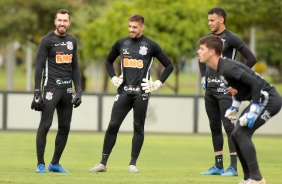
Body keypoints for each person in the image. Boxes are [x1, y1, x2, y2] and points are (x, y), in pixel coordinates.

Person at [89, 14, 174, 173]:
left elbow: (169, 66)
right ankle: (102, 163)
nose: (131, 30)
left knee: (138, 127)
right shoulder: (121, 43)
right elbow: (108, 61)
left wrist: (157, 83)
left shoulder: (151, 45)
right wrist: (113, 77)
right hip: (124, 92)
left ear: (142, 27)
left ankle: (132, 164)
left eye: (134, 27)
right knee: (113, 125)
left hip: (141, 93)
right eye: (129, 27)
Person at [198, 34, 281, 184]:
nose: (198, 52)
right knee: (236, 134)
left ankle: (257, 178)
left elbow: (255, 84)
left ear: (211, 52)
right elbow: (241, 89)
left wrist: (254, 108)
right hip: (261, 99)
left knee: (242, 134)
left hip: (269, 100)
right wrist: (235, 106)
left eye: (202, 49)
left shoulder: (227, 67)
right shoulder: (220, 69)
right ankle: (248, 178)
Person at [199, 7, 257, 176]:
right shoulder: (209, 39)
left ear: (221, 20)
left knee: (228, 126)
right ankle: (218, 166)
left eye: (212, 20)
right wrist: (204, 77)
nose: (209, 23)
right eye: (208, 20)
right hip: (210, 90)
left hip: (225, 91)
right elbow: (201, 58)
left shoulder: (231, 38)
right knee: (214, 126)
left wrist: (237, 77)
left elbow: (251, 58)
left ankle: (233, 167)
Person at [31, 9, 82, 173]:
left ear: (69, 22)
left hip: (67, 89)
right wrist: (37, 91)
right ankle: (40, 164)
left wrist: (79, 90)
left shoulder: (72, 41)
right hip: (50, 88)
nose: (62, 23)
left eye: (65, 20)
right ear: (55, 21)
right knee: (45, 125)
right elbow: (38, 67)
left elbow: (75, 68)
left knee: (65, 127)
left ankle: (55, 163)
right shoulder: (47, 40)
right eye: (59, 20)